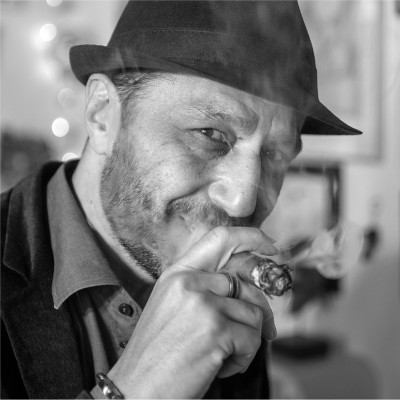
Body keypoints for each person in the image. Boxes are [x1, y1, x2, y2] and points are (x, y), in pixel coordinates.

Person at [1, 1, 361, 399]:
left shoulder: (233, 295)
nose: (242, 201)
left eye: (273, 155)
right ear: (103, 114)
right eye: (210, 134)